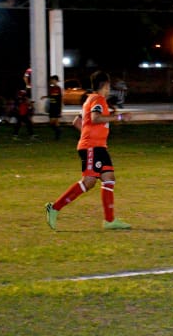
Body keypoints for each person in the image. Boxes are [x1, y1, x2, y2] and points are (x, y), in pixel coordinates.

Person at [45, 70, 130, 231]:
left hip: (97, 146)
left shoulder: (89, 100)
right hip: (93, 147)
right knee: (88, 182)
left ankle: (109, 220)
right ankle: (54, 207)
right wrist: (119, 118)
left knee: (109, 178)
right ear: (105, 85)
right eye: (109, 85)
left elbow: (77, 122)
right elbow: (95, 118)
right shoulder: (98, 99)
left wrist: (92, 136)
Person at [13, 71, 36, 140]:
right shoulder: (21, 88)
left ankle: (30, 135)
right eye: (25, 77)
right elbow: (19, 97)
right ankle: (16, 135)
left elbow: (25, 96)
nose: (26, 78)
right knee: (21, 123)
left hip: (24, 109)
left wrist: (29, 103)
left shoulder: (26, 87)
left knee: (26, 123)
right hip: (20, 109)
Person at [46, 75, 64, 140]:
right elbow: (50, 96)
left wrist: (61, 109)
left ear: (56, 81)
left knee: (55, 122)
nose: (51, 81)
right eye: (51, 80)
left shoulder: (58, 88)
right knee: (52, 123)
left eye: (52, 80)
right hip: (51, 107)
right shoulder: (51, 88)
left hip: (56, 107)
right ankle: (59, 131)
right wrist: (45, 97)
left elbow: (61, 98)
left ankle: (58, 135)